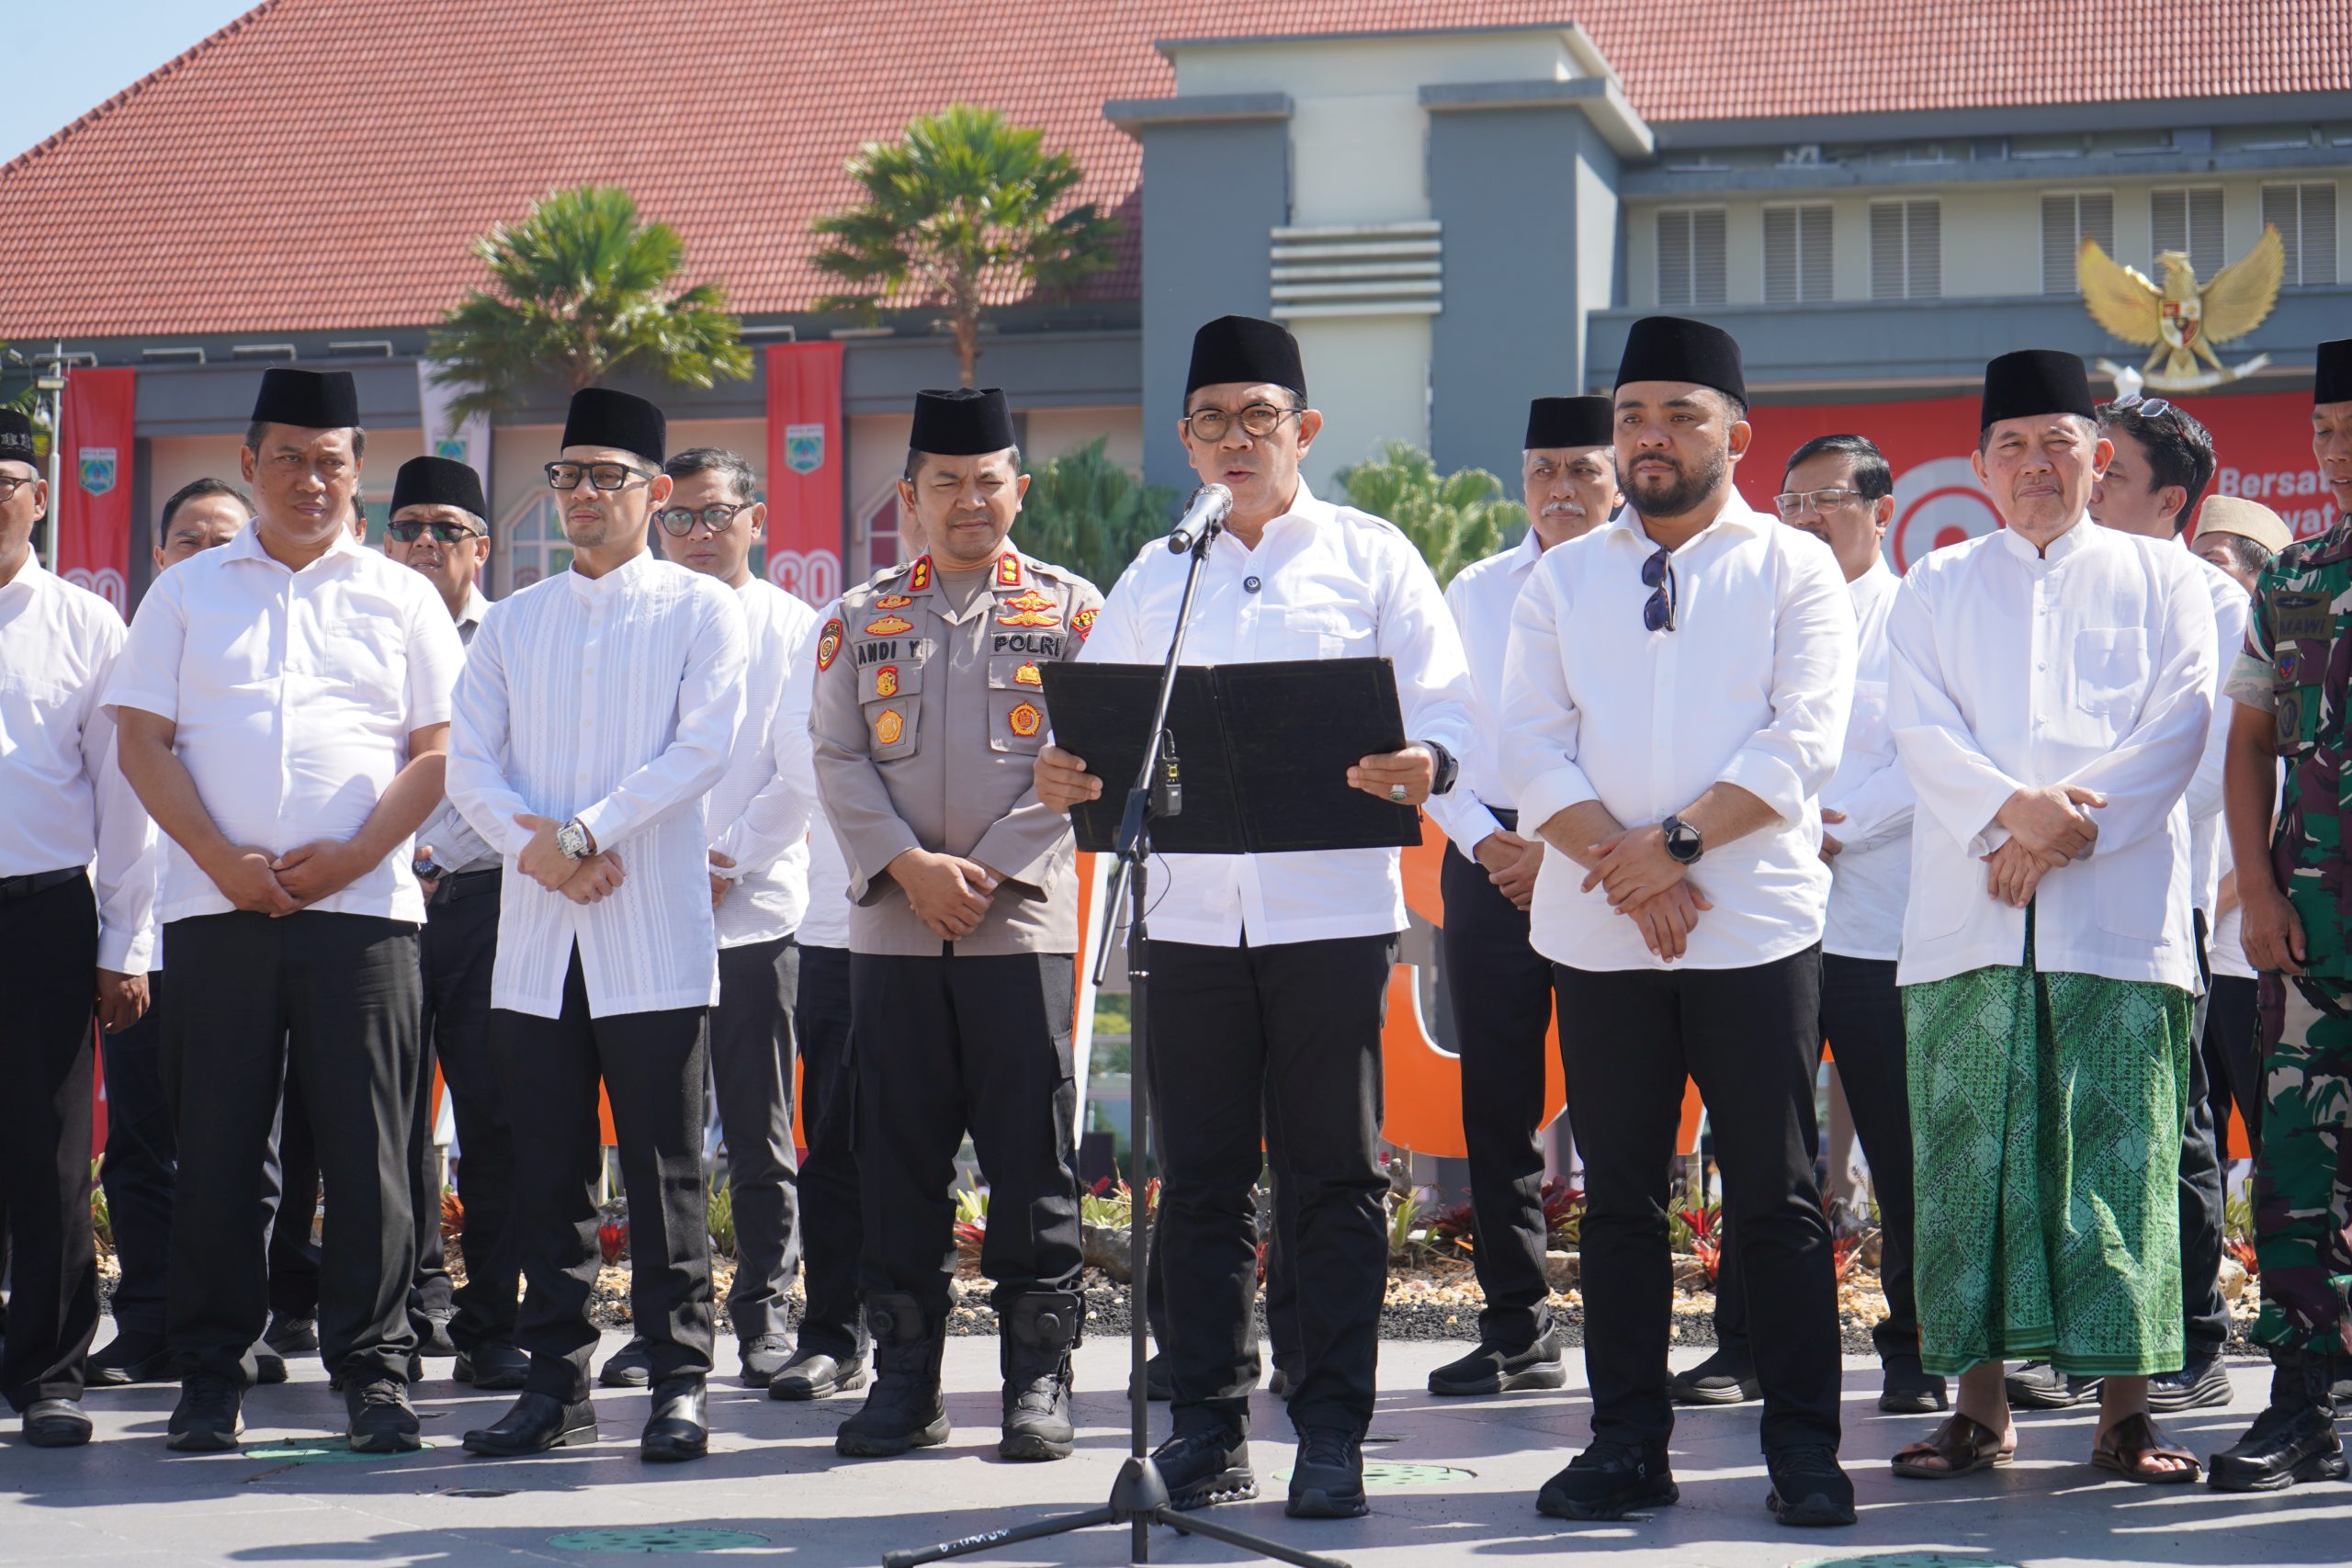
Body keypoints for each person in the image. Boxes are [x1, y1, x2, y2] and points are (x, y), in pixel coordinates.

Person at [1036, 316, 1479, 1518]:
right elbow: (1095, 724)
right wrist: (1064, 771)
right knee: (1200, 1183)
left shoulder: (1372, 557)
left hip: (1329, 916)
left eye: (1259, 418)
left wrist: (1429, 760)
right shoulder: (1158, 571)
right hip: (1186, 922)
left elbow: (1451, 708)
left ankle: (1330, 1431)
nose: (1235, 439)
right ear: (1185, 438)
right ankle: (1207, 1428)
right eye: (1212, 421)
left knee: (1333, 1178)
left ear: (1304, 429)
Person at [1499, 316, 1858, 1528]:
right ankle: (1624, 1443)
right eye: (1633, 416)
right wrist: (1632, 867)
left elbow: (1803, 740)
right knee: (1618, 1199)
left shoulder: (1794, 568)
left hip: (1750, 927)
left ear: (1736, 437)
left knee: (1777, 1196)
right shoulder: (1563, 576)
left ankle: (1802, 1447)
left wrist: (1677, 848)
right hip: (1603, 929)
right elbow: (1528, 745)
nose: (1649, 437)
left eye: (1679, 416)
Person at [107, 367, 463, 1453]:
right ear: (251, 463)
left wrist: (353, 854)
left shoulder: (401, 595)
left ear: (359, 471)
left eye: (332, 463)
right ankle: (211, 1373)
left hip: (366, 915)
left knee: (371, 1157)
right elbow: (141, 742)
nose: (312, 481)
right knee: (216, 1153)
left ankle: (376, 1371)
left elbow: (439, 751)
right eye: (290, 460)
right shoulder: (187, 592)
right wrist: (220, 860)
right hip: (216, 912)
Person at [1887, 348, 2213, 1486]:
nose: (2035, 464)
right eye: (2012, 446)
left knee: (2119, 1170)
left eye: (2057, 444)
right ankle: (1978, 1411)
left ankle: (2125, 1414)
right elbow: (1918, 728)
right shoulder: (1935, 582)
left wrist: (2057, 833)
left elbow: (2180, 723)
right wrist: (2009, 819)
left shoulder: (2164, 577)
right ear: (1979, 465)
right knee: (1966, 1170)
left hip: (2115, 923)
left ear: (2099, 457)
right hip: (1968, 922)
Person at [448, 388, 745, 1463]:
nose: (580, 493)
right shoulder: (514, 620)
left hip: (649, 929)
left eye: (605, 477)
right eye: (566, 475)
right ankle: (556, 1385)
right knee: (549, 1171)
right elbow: (467, 762)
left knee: (664, 1171)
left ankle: (678, 1382)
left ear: (656, 493)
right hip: (537, 938)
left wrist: (581, 833)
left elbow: (703, 748)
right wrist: (538, 846)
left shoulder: (699, 609)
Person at [812, 387, 1098, 1464]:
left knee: (1032, 1163)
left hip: (1018, 930)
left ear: (1019, 489)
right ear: (910, 497)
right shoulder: (857, 618)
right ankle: (905, 1384)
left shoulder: (1073, 613)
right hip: (894, 929)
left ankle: (1037, 1383)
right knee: (895, 1160)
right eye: (946, 484)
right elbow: (836, 756)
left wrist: (980, 871)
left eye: (988, 482)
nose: (969, 500)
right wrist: (909, 867)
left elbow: (1085, 762)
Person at [1689, 434, 1946, 1416]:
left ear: (1881, 510)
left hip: (1876, 926)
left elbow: (1929, 754)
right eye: (1788, 502)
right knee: (1764, 1146)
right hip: (1762, 925)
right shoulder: (1758, 615)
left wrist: (1826, 827)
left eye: (1824, 499)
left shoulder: (1916, 615)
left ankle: (1916, 1346)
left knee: (1903, 1148)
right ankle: (1747, 1345)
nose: (1800, 518)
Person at [2016, 393, 2233, 1420]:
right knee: (2065, 1130)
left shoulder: (2208, 597)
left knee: (2166, 1131)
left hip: (2161, 904)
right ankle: (2087, 1344)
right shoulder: (2046, 580)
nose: (2090, 484)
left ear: (2171, 501)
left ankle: (2190, 1339)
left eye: (2114, 472)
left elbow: (2203, 764)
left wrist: (2058, 826)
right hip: (2037, 901)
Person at [1421, 394, 1619, 1398]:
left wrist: (1564, 851)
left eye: (1584, 469)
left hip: (1609, 860)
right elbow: (1439, 726)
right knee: (1495, 1100)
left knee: (1618, 1096)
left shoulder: (1645, 581)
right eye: (1544, 470)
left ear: (1618, 477)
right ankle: (1517, 1326)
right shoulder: (1477, 588)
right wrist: (1484, 839)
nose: (1561, 489)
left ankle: (1626, 1335)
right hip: (1489, 853)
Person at [2209, 336, 2352, 1491]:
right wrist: (2255, 890)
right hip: (2309, 929)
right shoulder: (2291, 578)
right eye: (2324, 432)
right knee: (2297, 1173)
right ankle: (2302, 1403)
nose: (2337, 452)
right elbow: (2250, 740)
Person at [0, 407, 157, 1446]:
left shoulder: (89, 626)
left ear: (41, 497)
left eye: (4, 481)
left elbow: (124, 801)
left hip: (43, 910)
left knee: (50, 1153)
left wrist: (124, 943)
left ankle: (50, 1371)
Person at [648, 446, 820, 1391]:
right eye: (680, 516)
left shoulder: (794, 626)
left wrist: (727, 860)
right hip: (645, 911)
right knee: (660, 1135)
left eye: (718, 513)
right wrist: (668, 866)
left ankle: (764, 1310)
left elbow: (803, 767)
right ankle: (664, 1324)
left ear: (757, 519)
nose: (699, 532)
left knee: (758, 1129)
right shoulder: (638, 624)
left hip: (754, 911)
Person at [86, 478, 251, 1390]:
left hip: (243, 930)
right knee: (143, 1143)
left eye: (226, 540)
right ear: (159, 556)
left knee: (243, 1145)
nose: (207, 555)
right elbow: (119, 817)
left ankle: (239, 1328)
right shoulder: (131, 653)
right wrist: (124, 942)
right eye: (190, 540)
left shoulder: (270, 652)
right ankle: (147, 1319)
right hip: (149, 942)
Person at [384, 453, 526, 1392]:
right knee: (385, 1123)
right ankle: (401, 1313)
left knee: (493, 1119)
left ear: (482, 547)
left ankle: (490, 1322)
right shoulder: (358, 630)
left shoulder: (511, 638)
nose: (426, 543)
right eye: (409, 527)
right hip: (377, 903)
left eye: (447, 529)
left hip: (487, 903)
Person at [2186, 496, 2294, 1160]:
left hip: (2248, 947)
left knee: (2272, 1133)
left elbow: (2276, 800)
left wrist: (2223, 902)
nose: (2198, 575)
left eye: (2216, 562)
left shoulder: (2282, 674)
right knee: (2196, 1134)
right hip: (2198, 945)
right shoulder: (2188, 659)